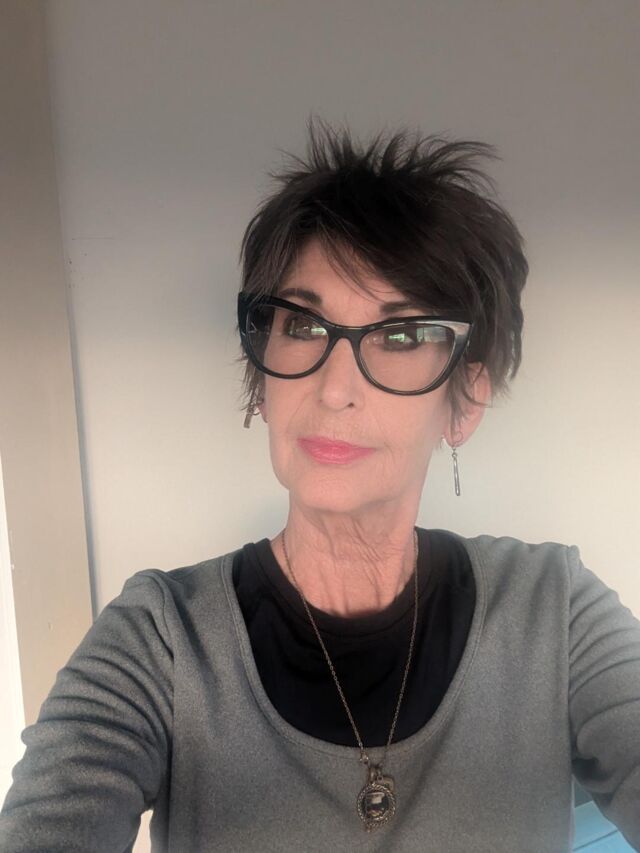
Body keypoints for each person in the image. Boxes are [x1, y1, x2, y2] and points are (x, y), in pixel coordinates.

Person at [1, 118, 639, 853]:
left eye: (402, 335)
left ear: (464, 401)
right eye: (302, 325)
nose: (335, 389)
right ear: (262, 377)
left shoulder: (555, 612)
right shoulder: (162, 639)